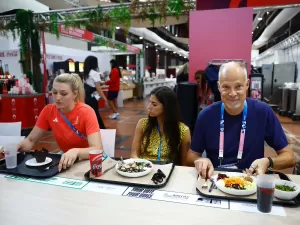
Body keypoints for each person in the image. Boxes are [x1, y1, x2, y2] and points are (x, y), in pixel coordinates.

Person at [187, 62, 295, 178]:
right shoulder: (206, 116)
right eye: (226, 87)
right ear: (218, 86)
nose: (232, 94)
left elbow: (289, 157)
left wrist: (268, 162)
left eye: (238, 86)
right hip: (216, 181)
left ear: (247, 84)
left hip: (250, 181)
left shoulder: (263, 112)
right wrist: (201, 161)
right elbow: (190, 157)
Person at [17, 73, 103, 172]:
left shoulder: (86, 112)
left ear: (75, 94)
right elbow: (30, 141)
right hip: (66, 160)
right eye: (54, 92)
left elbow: (97, 149)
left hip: (87, 161)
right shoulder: (48, 111)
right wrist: (17, 147)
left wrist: (76, 151)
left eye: (63, 93)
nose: (57, 98)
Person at [131, 86, 191, 165]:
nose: (149, 107)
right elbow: (134, 154)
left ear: (167, 107)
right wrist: (143, 166)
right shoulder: (142, 124)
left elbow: (184, 163)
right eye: (149, 102)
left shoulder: (182, 130)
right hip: (145, 169)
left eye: (154, 104)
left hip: (168, 171)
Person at [83, 55, 107, 129]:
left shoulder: (86, 73)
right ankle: (101, 129)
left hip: (86, 97)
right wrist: (105, 99)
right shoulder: (95, 73)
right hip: (92, 98)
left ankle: (90, 129)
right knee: (95, 114)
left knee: (89, 114)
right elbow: (98, 88)